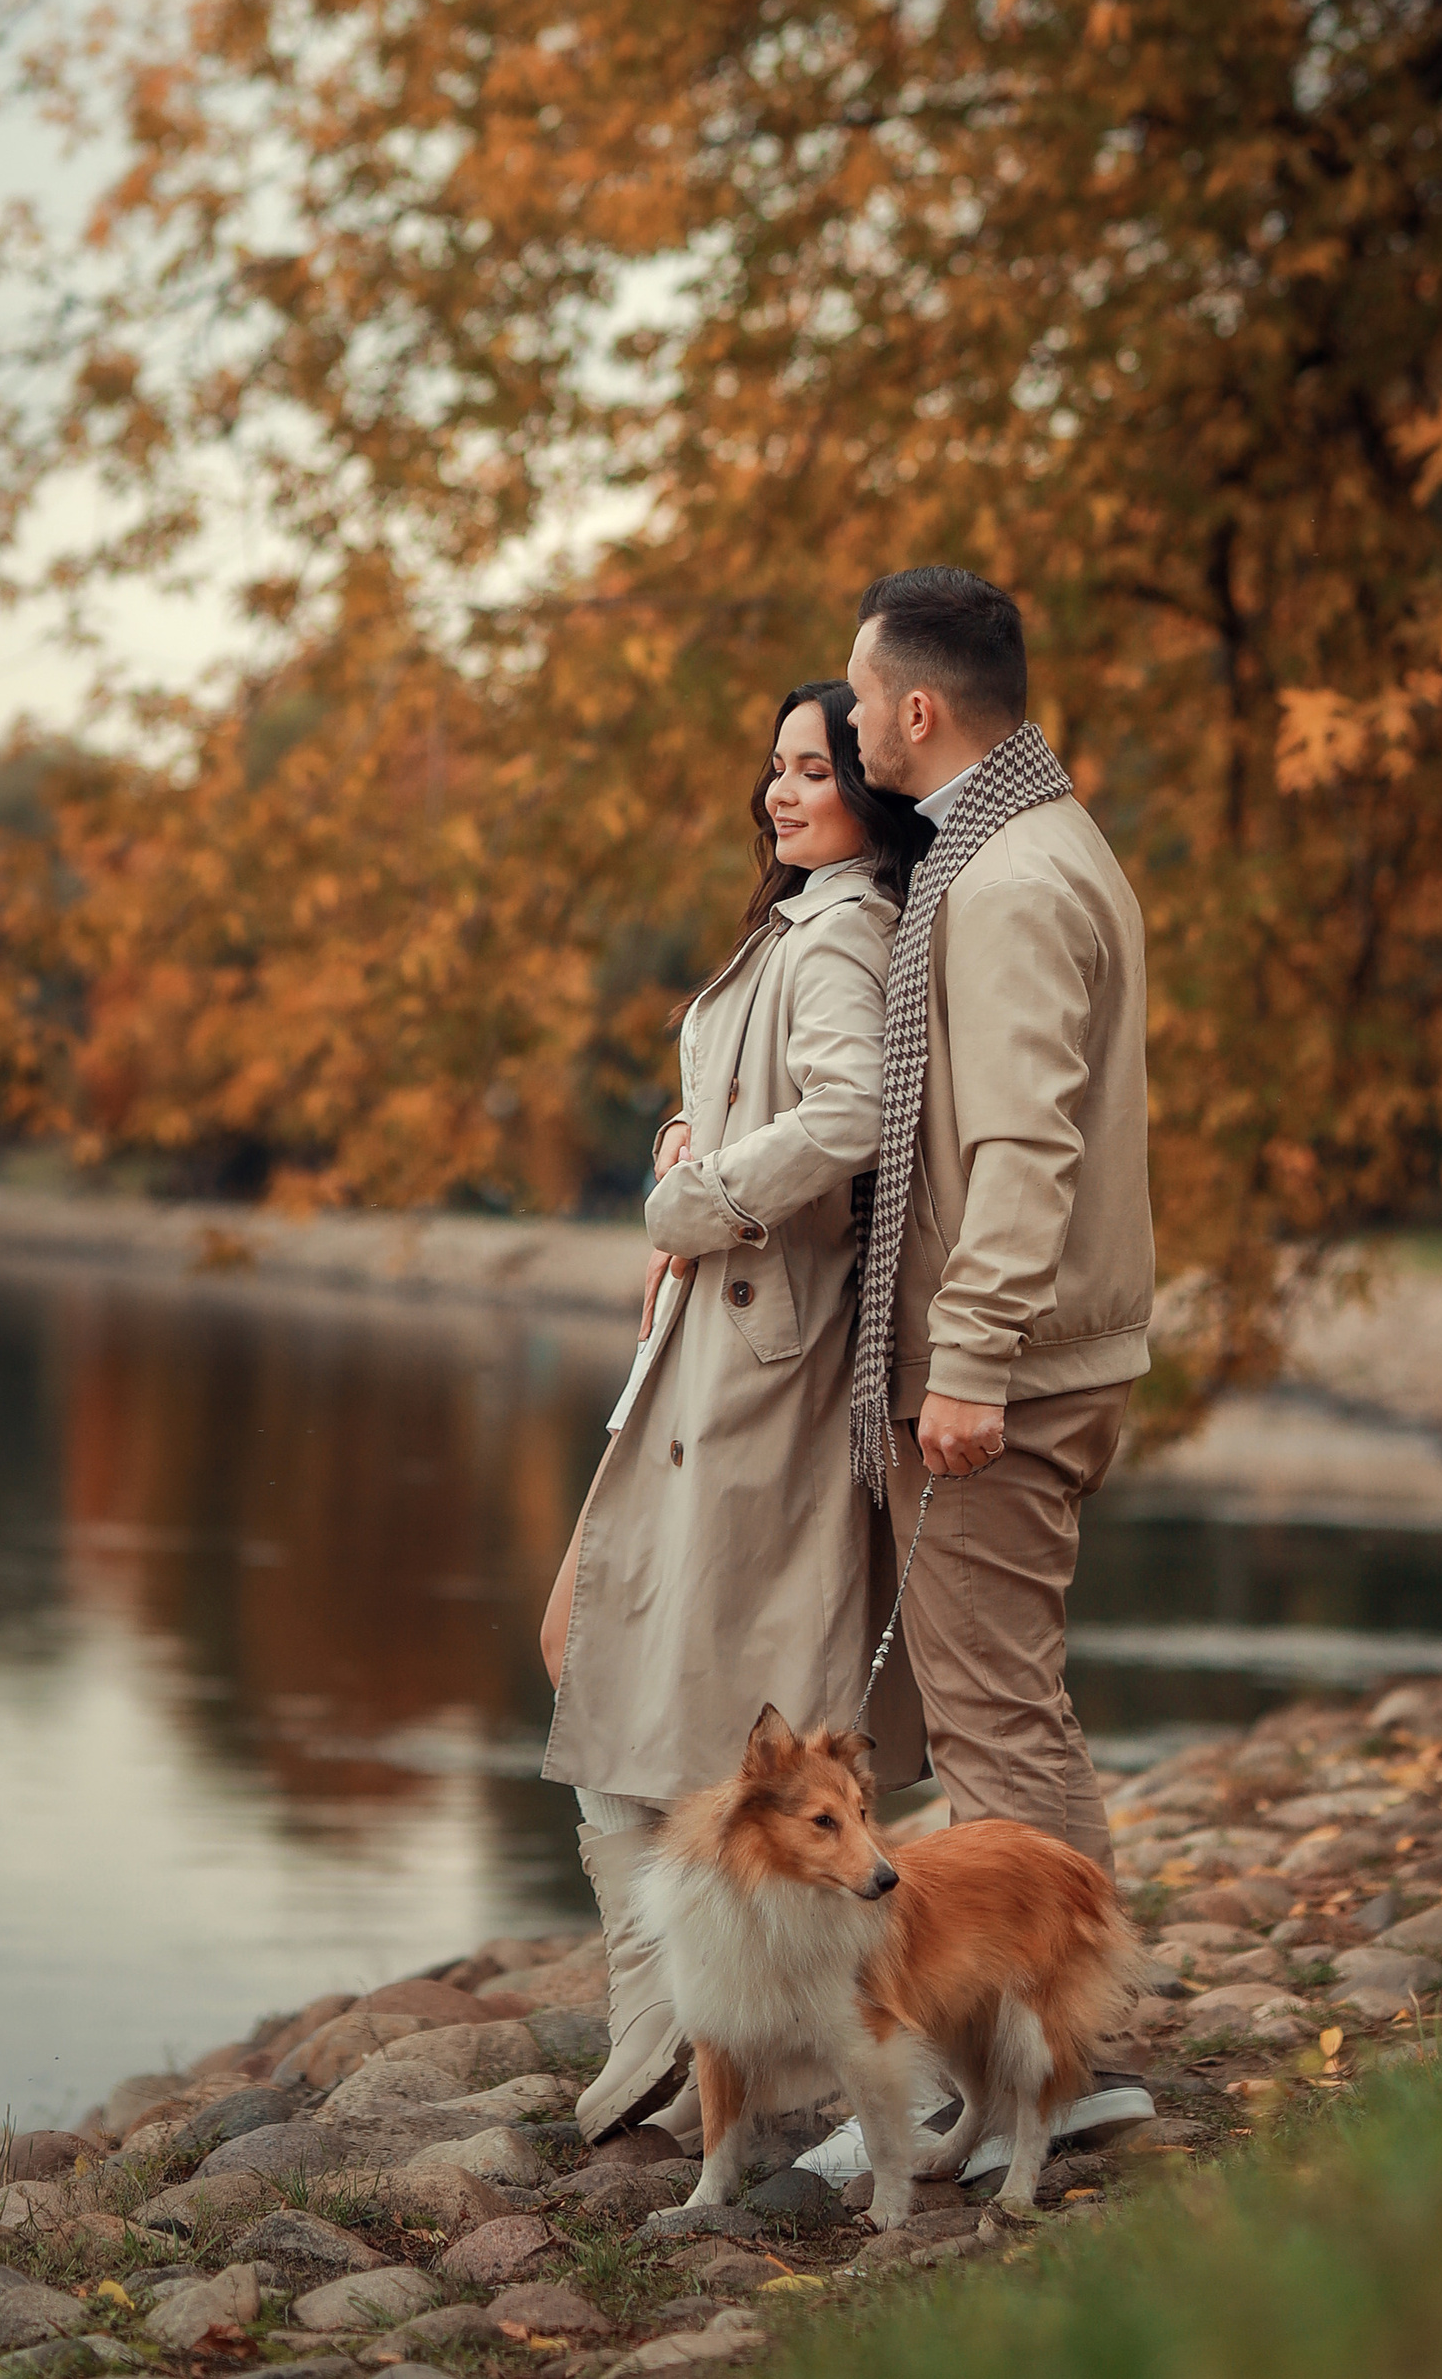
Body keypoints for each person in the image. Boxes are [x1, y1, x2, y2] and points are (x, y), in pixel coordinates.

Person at [538, 680, 929, 2143]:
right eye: (773, 765)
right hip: (717, 1339)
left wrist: (693, 1195)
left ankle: (677, 2013)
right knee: (600, 1643)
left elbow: (847, 1121)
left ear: (867, 791)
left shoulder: (843, 928)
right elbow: (780, 1102)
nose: (784, 791)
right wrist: (691, 1136)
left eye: (816, 768)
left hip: (760, 1350)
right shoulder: (803, 917)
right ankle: (664, 2002)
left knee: (645, 1661)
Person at [839, 561, 1157, 2154]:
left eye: (856, 690)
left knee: (997, 1719)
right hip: (1027, 1355)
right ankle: (1039, 2067)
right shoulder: (1013, 843)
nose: (842, 720)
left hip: (1011, 1372)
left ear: (916, 704)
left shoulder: (1018, 876)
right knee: (992, 1707)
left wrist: (964, 1358)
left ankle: (1067, 2069)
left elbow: (1025, 1146)